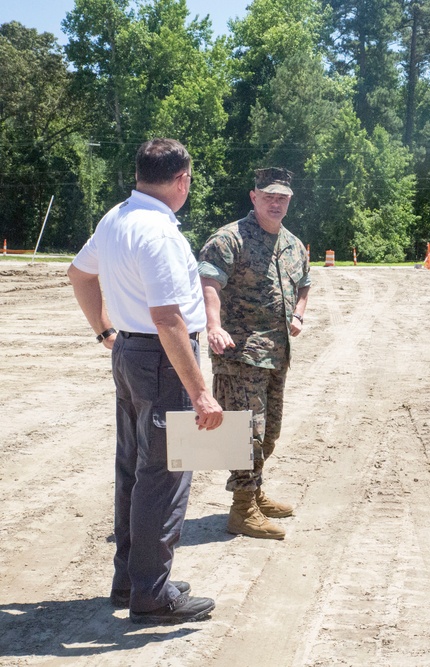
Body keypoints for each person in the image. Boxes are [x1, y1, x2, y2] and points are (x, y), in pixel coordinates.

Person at [67, 138, 222, 624]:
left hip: (130, 352)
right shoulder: (159, 233)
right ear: (181, 180)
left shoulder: (115, 219)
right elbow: (170, 318)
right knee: (166, 474)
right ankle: (152, 595)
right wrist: (201, 393)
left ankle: (132, 579)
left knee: (134, 469)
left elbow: (78, 274)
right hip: (161, 357)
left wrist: (105, 331)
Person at [198, 168, 311, 540]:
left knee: (270, 431)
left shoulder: (293, 244)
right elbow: (209, 281)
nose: (276, 203)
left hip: (277, 354)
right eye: (269, 196)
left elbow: (305, 284)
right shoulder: (230, 238)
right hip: (240, 353)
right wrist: (213, 325)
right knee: (246, 432)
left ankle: (256, 492)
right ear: (254, 196)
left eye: (283, 198)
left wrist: (297, 314)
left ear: (290, 200)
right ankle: (241, 510)